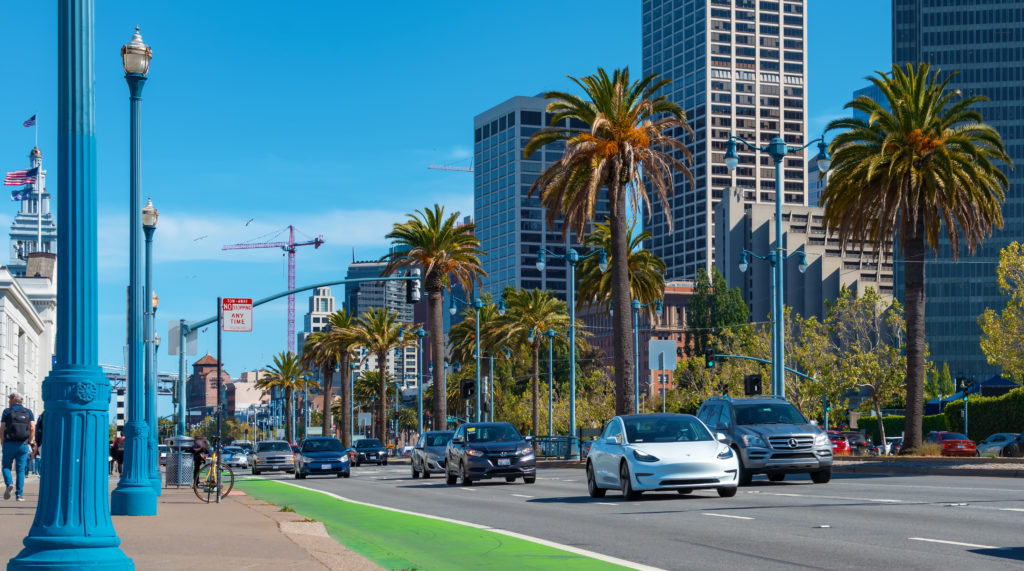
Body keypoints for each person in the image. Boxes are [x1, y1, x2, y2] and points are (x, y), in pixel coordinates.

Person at [1, 392, 36, 501]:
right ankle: (19, 495)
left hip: (9, 443)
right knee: (20, 470)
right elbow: (32, 427)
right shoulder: (28, 412)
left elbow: (2, 428)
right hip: (23, 444)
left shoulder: (7, 411)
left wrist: (2, 441)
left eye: (9, 399)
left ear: (14, 399)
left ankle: (9, 483)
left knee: (6, 466)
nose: (8, 401)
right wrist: (29, 441)